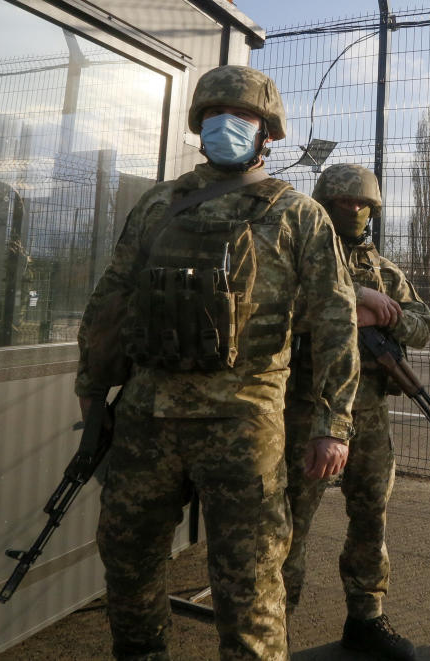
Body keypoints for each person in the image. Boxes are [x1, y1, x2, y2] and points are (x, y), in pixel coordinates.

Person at [74, 65, 359, 661]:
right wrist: (92, 394)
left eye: (243, 117)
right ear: (198, 126)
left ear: (268, 134)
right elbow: (113, 300)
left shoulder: (298, 214)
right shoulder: (158, 205)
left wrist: (333, 425)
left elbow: (338, 319)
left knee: (249, 580)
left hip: (243, 422)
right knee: (127, 562)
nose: (225, 125)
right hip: (148, 416)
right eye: (212, 116)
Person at [282, 164, 430, 661]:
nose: (352, 210)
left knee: (370, 514)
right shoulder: (296, 257)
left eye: (361, 202)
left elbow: (422, 322)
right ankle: (272, 625)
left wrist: (384, 312)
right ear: (323, 204)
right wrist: (353, 301)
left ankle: (365, 617)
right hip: (303, 412)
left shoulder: (386, 270)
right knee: (288, 522)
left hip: (366, 415)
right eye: (342, 202)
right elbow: (275, 309)